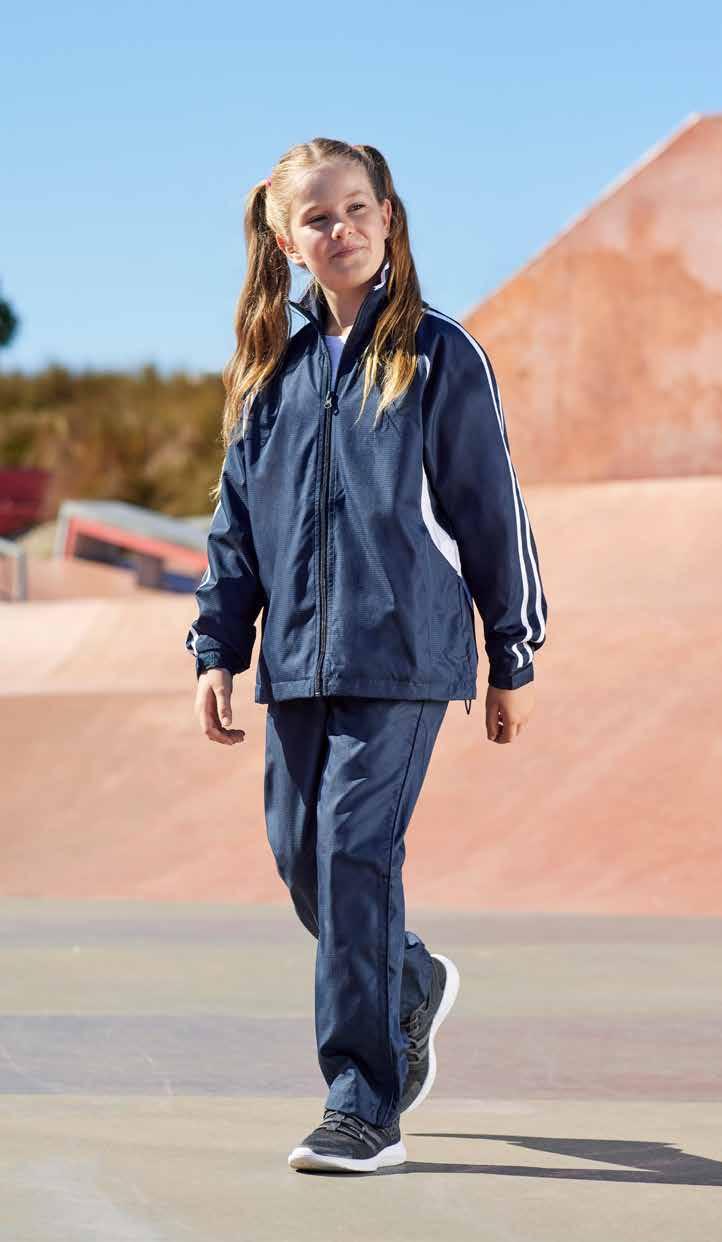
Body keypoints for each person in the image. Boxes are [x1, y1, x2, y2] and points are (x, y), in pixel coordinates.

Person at [185, 138, 549, 1174]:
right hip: (297, 658)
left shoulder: (438, 353)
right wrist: (217, 645)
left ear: (387, 218)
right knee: (301, 859)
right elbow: (235, 528)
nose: (339, 229)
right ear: (285, 241)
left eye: (356, 209)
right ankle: (410, 980)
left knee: (353, 855)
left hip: (405, 652)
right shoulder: (273, 372)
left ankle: (361, 1104)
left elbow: (491, 511)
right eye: (317, 217)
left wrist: (512, 654)